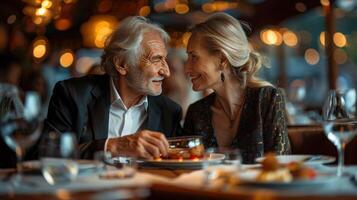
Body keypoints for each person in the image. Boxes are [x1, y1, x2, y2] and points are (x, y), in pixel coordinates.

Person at [44, 16, 182, 159]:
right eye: (156, 59)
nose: (166, 72)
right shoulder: (72, 95)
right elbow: (48, 155)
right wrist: (112, 146)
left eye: (164, 59)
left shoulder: (169, 111)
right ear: (122, 64)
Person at [182, 13, 291, 164]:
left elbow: (280, 167)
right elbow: (187, 169)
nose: (187, 68)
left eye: (194, 57)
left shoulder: (267, 99)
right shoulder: (196, 113)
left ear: (222, 59)